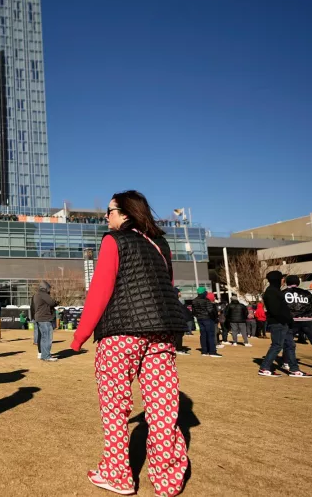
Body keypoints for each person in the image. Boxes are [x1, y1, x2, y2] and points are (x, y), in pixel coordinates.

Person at [69, 190, 189, 496]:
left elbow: (100, 291)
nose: (106, 216)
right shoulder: (161, 245)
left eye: (109, 211)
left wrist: (80, 336)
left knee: (115, 406)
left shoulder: (114, 241)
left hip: (121, 333)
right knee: (163, 407)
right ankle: (168, 480)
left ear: (125, 213)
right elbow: (168, 287)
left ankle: (118, 474)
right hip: (161, 331)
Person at [258, 271, 311, 378]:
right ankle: (264, 368)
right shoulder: (272, 291)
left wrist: (289, 320)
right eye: (282, 278)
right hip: (278, 323)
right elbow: (275, 310)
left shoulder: (276, 291)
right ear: (277, 279)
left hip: (284, 323)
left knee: (290, 345)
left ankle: (294, 369)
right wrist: (287, 319)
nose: (283, 280)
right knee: (277, 345)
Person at [282, 275, 312, 372]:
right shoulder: (306, 293)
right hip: (307, 320)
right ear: (298, 283)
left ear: (287, 282)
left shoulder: (284, 293)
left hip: (292, 320)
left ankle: (286, 363)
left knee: (288, 342)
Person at [31, 281, 59, 361]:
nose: (49, 290)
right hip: (45, 318)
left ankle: (42, 354)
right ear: (45, 288)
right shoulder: (43, 294)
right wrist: (56, 302)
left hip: (39, 318)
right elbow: (52, 302)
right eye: (49, 288)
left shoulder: (36, 294)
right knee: (47, 337)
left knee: (42, 337)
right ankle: (46, 356)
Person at [192, 287, 220, 357]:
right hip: (208, 319)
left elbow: (193, 311)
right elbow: (210, 311)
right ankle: (212, 351)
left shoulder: (194, 301)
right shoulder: (206, 300)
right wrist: (214, 318)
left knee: (203, 335)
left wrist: (198, 316)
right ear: (204, 293)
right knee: (210, 335)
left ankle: (204, 351)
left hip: (200, 319)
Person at [174, 288, 191, 355]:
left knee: (179, 335)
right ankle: (178, 349)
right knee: (178, 335)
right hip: (177, 321)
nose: (180, 293)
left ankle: (177, 348)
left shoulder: (176, 301)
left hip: (179, 321)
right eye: (179, 292)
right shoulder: (175, 301)